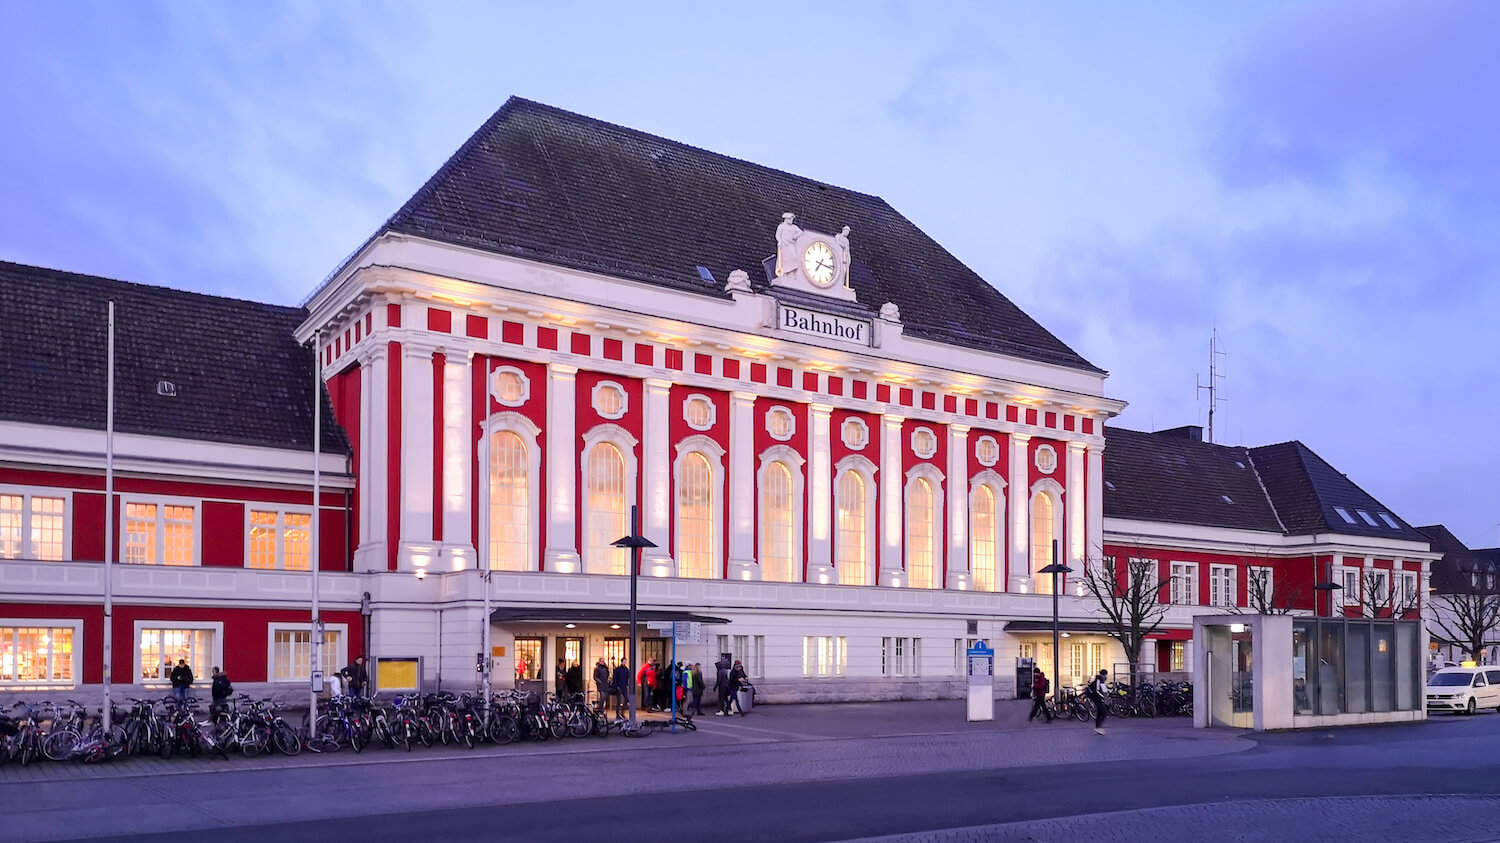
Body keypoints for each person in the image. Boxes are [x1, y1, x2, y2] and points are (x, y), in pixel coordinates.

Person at [1088, 669, 1110, 735]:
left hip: (1099, 699)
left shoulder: (1101, 681)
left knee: (1100, 714)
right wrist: (1103, 697)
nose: (1106, 676)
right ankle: (1098, 728)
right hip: (1098, 699)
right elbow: (1097, 691)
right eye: (1105, 675)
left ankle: (1098, 728)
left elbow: (1104, 690)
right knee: (1104, 713)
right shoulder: (1099, 681)